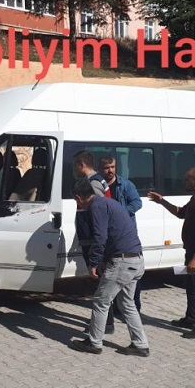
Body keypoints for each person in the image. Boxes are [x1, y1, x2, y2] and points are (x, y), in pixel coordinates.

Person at [69, 178, 149, 357]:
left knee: (101, 301)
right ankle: (140, 344)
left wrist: (94, 263)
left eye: (76, 201)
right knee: (127, 303)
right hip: (136, 259)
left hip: (123, 262)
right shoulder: (107, 202)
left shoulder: (96, 206)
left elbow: (100, 237)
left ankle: (94, 343)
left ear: (79, 197)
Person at [148, 167, 195, 339]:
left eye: (187, 179)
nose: (184, 182)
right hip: (192, 251)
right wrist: (162, 201)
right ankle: (191, 319)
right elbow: (181, 213)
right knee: (192, 287)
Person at [72, 150, 116, 334]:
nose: (74, 169)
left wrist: (96, 245)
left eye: (75, 165)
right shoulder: (96, 180)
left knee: (99, 284)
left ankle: (105, 324)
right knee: (99, 284)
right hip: (92, 240)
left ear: (81, 164)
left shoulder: (93, 183)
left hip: (94, 241)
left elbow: (100, 214)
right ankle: (104, 322)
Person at [99, 155, 144, 313]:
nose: (110, 170)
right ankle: (115, 307)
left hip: (125, 233)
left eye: (112, 167)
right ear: (100, 169)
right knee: (112, 273)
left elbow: (137, 202)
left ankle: (134, 307)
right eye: (106, 168)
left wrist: (120, 213)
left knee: (130, 274)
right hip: (108, 234)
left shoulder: (125, 184)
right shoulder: (98, 185)